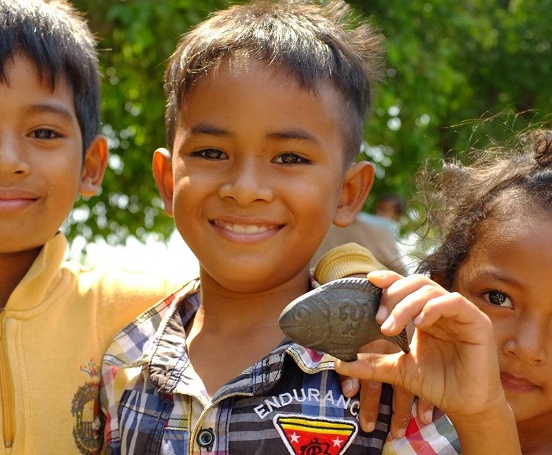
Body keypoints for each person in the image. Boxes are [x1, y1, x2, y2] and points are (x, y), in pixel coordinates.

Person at [99, 1, 518, 453]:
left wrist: (481, 412)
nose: (245, 189)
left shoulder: (387, 368)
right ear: (166, 182)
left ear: (348, 193)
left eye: (290, 158)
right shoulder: (125, 359)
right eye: (212, 153)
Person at [0, 1, 173, 453]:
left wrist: (348, 274)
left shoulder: (145, 311)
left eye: (43, 133)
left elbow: (282, 289)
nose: (5, 161)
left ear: (90, 166)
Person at [337, 128, 552, 453]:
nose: (527, 347)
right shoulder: (403, 396)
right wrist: (365, 297)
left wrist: (483, 420)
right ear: (441, 284)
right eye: (498, 298)